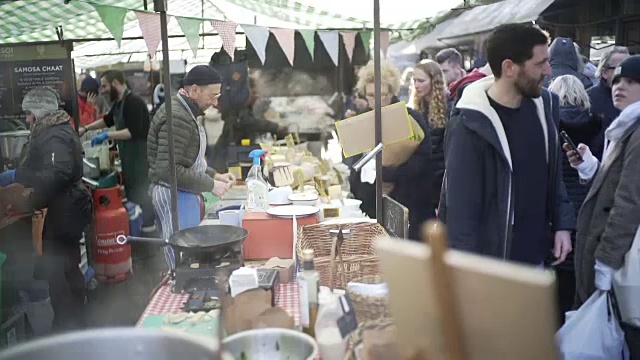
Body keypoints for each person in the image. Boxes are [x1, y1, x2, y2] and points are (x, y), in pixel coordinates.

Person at [443, 23, 576, 266]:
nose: (548, 71)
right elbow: (461, 211)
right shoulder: (470, 123)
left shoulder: (545, 107)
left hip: (538, 257)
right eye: (540, 64)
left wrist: (562, 224)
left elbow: (552, 173)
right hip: (494, 266)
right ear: (509, 67)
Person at [0, 87, 92, 331]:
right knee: (67, 267)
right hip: (67, 209)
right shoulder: (57, 130)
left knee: (58, 270)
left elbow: (57, 174)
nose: (28, 119)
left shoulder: (54, 135)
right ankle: (74, 321)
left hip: (63, 211)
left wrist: (17, 175)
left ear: (40, 112)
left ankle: (66, 327)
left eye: (29, 113)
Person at [566, 55, 640, 356]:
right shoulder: (625, 127)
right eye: (618, 79)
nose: (619, 86)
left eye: (632, 81)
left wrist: (606, 263)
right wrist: (591, 168)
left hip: (622, 266)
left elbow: (628, 202)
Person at [147, 65, 236, 269]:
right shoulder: (177, 116)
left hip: (183, 193)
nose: (215, 102)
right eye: (212, 96)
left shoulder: (185, 111)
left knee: (189, 256)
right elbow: (168, 170)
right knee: (182, 261)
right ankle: (180, 298)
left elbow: (189, 159)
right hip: (173, 195)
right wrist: (210, 184)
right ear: (195, 90)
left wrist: (215, 175)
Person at [347, 60, 432, 240]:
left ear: (392, 92)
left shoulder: (411, 118)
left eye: (381, 94)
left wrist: (389, 173)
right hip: (371, 209)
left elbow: (423, 162)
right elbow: (354, 165)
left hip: (407, 209)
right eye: (370, 95)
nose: (375, 100)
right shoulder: (363, 121)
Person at [548, 74, 602, 318]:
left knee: (557, 273)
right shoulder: (599, 124)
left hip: (559, 209)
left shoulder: (549, 124)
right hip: (586, 203)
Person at [79, 70, 154, 232]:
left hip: (140, 160)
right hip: (129, 159)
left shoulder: (133, 102)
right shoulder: (119, 103)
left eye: (105, 86)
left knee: (143, 195)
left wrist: (107, 135)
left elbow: (132, 132)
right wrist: (85, 128)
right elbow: (107, 120)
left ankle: (149, 233)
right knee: (134, 195)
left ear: (115, 83)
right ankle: (138, 228)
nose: (102, 90)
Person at [411, 59, 447, 217]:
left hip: (440, 179)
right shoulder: (418, 107)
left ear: (434, 81)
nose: (416, 85)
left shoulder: (448, 107)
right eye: (414, 81)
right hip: (422, 177)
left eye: (421, 81)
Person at [588, 46, 631, 158]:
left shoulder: (635, 98)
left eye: (629, 68)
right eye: (620, 68)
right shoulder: (588, 99)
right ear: (604, 73)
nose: (627, 73)